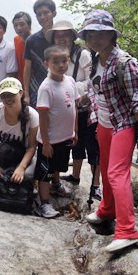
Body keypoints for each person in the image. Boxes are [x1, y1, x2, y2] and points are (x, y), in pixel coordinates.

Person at [79, 9, 138, 253]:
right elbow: (96, 89)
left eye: (100, 34)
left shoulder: (124, 63)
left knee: (116, 173)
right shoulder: (95, 60)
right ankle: (107, 209)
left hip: (123, 124)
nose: (94, 39)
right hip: (103, 123)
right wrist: (86, 101)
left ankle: (127, 230)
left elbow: (137, 101)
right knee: (105, 167)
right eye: (90, 34)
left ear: (111, 35)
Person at [47, 21, 102, 200]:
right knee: (75, 144)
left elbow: (92, 79)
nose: (62, 38)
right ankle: (75, 176)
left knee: (92, 146)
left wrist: (72, 87)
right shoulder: (54, 56)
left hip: (87, 107)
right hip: (69, 110)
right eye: (58, 35)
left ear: (72, 36)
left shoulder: (83, 55)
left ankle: (96, 185)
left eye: (65, 35)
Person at [34, 45, 80, 218]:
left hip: (65, 136)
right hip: (50, 139)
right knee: (45, 171)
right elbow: (43, 116)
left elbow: (74, 107)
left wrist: (75, 130)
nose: (61, 65)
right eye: (56, 62)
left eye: (64, 61)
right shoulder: (46, 87)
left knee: (59, 164)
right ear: (46, 63)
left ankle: (56, 183)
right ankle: (44, 203)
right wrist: (46, 143)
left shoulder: (70, 81)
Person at [0, 77, 39, 187]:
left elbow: (32, 146)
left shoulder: (32, 115)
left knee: (26, 175)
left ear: (21, 93)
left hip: (24, 156)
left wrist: (21, 167)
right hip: (4, 154)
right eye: (4, 96)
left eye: (11, 94)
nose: (8, 99)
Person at [23, 0, 57, 108]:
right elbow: (27, 67)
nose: (42, 17)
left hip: (60, 87)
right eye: (39, 14)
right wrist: (26, 94)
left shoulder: (61, 37)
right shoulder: (31, 40)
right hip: (37, 90)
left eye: (46, 13)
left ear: (54, 13)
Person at [12, 11, 32, 88]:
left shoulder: (35, 42)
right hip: (19, 85)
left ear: (29, 25)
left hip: (33, 84)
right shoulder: (16, 39)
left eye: (22, 24)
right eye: (15, 25)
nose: (18, 28)